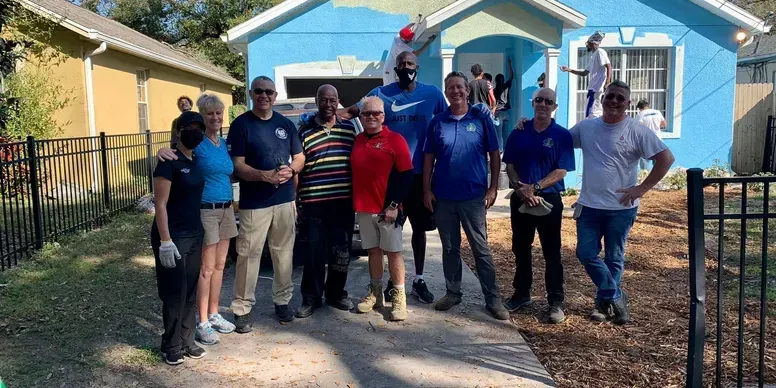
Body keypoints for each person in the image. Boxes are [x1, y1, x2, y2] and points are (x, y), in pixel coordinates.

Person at [339, 50, 447, 304]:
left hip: (419, 175)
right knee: (390, 232)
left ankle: (418, 279)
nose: (405, 67)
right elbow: (353, 111)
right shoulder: (380, 93)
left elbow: (450, 116)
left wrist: (483, 111)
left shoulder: (432, 93)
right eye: (401, 64)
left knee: (419, 230)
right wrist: (323, 118)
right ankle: (391, 283)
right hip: (391, 180)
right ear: (395, 68)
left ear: (417, 67)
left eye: (410, 63)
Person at [571, 80, 674, 325]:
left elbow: (666, 159)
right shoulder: (586, 128)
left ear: (628, 104)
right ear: (603, 98)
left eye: (620, 98)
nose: (614, 101)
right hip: (589, 206)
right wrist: (529, 125)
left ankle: (603, 305)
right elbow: (557, 139)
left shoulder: (637, 131)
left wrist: (642, 188)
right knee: (585, 253)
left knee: (614, 258)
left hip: (621, 208)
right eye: (610, 96)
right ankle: (615, 294)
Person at [422, 71, 510, 321]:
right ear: (446, 92)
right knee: (450, 248)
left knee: (480, 249)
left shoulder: (481, 118)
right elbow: (429, 157)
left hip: (473, 197)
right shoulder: (437, 121)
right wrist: (426, 189)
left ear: (467, 91)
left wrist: (493, 188)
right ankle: (453, 292)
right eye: (450, 88)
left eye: (460, 87)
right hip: (444, 197)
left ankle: (493, 299)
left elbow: (494, 153)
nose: (456, 91)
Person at [155, 94, 239, 344]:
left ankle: (214, 313)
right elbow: (175, 153)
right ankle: (201, 321)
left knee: (222, 265)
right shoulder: (197, 143)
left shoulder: (221, 143)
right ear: (201, 117)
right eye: (210, 113)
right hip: (205, 210)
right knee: (206, 267)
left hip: (226, 209)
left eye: (219, 112)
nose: (215, 117)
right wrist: (162, 150)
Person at [228, 76, 305, 328]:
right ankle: (242, 308)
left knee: (283, 254)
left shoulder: (285, 125)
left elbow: (299, 157)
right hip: (254, 202)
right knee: (248, 254)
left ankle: (282, 302)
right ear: (251, 93)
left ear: (275, 95)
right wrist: (264, 176)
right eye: (259, 91)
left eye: (269, 92)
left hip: (284, 200)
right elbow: (237, 165)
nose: (264, 96)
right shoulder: (241, 125)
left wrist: (291, 171)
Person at [502, 88, 575, 324]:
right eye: (539, 100)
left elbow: (561, 170)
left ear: (554, 107)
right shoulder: (519, 131)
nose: (543, 104)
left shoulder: (562, 135)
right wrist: (520, 189)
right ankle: (521, 294)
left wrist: (535, 187)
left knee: (551, 252)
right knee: (521, 249)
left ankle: (555, 301)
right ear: (533, 103)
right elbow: (510, 164)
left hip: (548, 200)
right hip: (520, 198)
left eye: (548, 101)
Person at [295, 85, 358, 318]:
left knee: (341, 252)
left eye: (333, 100)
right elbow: (297, 169)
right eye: (324, 100)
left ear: (338, 102)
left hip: (343, 202)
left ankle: (336, 294)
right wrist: (297, 200)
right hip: (313, 203)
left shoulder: (349, 129)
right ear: (317, 100)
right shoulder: (304, 131)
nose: (329, 104)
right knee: (313, 253)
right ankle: (311, 298)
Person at [152, 111, 208, 365]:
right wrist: (165, 240)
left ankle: (187, 340)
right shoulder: (168, 162)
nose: (195, 132)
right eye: (190, 127)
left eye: (199, 127)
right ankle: (171, 344)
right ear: (178, 131)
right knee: (174, 292)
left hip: (194, 233)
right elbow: (160, 204)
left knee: (190, 290)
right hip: (172, 237)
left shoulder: (195, 160)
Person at [351, 96, 414, 321]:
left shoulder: (395, 140)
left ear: (383, 116)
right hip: (365, 208)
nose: (371, 117)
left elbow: (407, 176)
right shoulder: (357, 140)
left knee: (393, 253)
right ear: (361, 116)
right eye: (366, 113)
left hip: (388, 209)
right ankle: (376, 295)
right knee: (373, 252)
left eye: (376, 113)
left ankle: (399, 298)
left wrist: (394, 205)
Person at [560, 31, 612, 119]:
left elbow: (608, 65)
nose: (586, 45)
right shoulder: (593, 56)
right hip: (592, 89)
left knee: (594, 114)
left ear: (592, 43)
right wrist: (568, 70)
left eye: (587, 43)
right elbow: (584, 73)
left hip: (597, 89)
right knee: (590, 113)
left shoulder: (600, 52)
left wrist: (608, 81)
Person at [383, 21, 436, 86]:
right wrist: (428, 42)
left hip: (395, 66)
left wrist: (414, 23)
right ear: (404, 39)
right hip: (389, 69)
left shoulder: (398, 36)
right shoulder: (400, 46)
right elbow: (416, 54)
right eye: (409, 39)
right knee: (389, 88)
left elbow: (406, 28)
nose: (411, 40)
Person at [494, 57, 515, 148]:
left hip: (498, 113)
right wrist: (509, 64)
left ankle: (499, 151)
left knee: (498, 135)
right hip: (506, 112)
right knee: (506, 134)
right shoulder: (506, 86)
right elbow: (511, 76)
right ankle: (506, 150)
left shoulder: (495, 90)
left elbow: (493, 102)